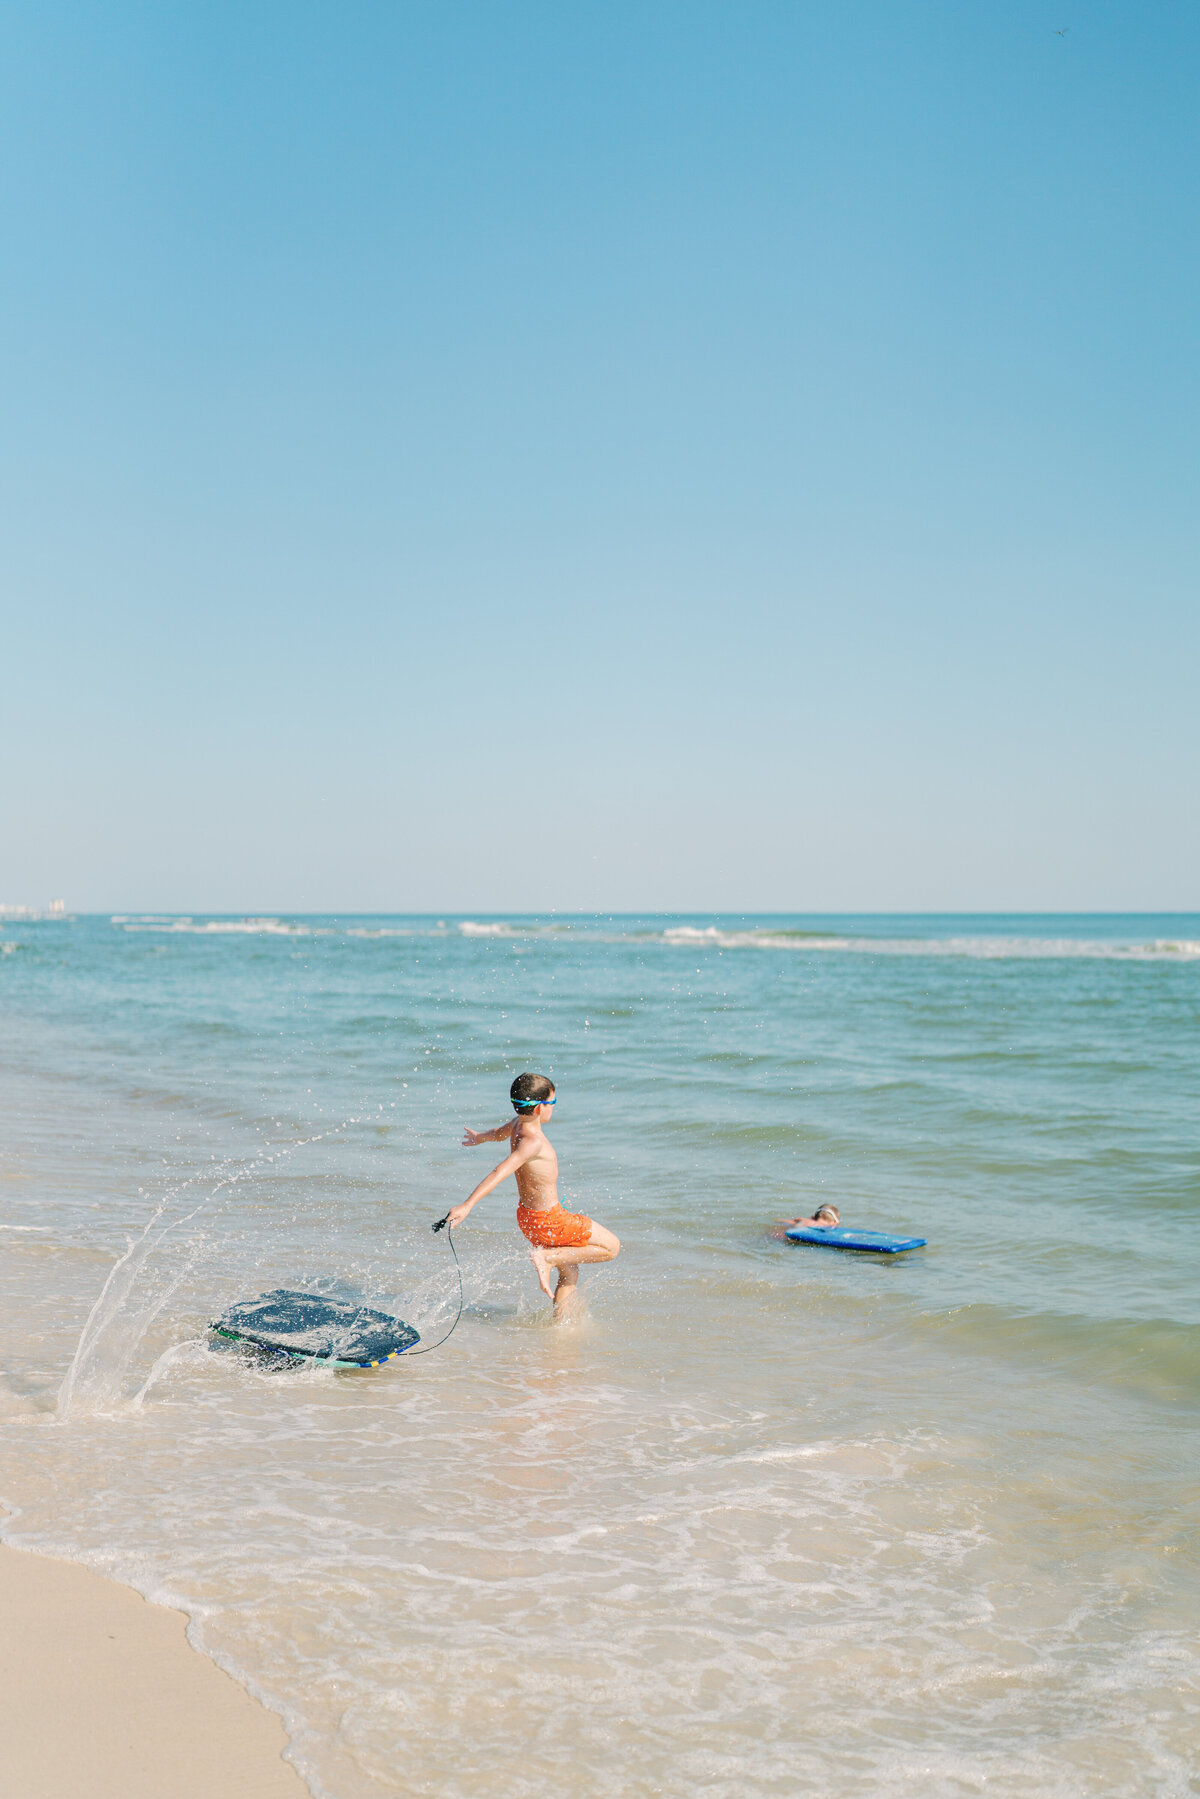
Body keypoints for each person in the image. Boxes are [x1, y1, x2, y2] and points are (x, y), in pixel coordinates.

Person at [447, 1073, 621, 1317]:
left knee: (569, 1271)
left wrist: (480, 1138)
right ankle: (548, 1258)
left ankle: (560, 1329)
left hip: (528, 1219)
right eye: (553, 1103)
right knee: (612, 1247)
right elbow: (501, 1171)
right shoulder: (534, 1142)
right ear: (541, 1108)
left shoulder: (518, 1125)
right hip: (550, 1220)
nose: (553, 1108)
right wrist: (467, 1205)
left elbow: (498, 1132)